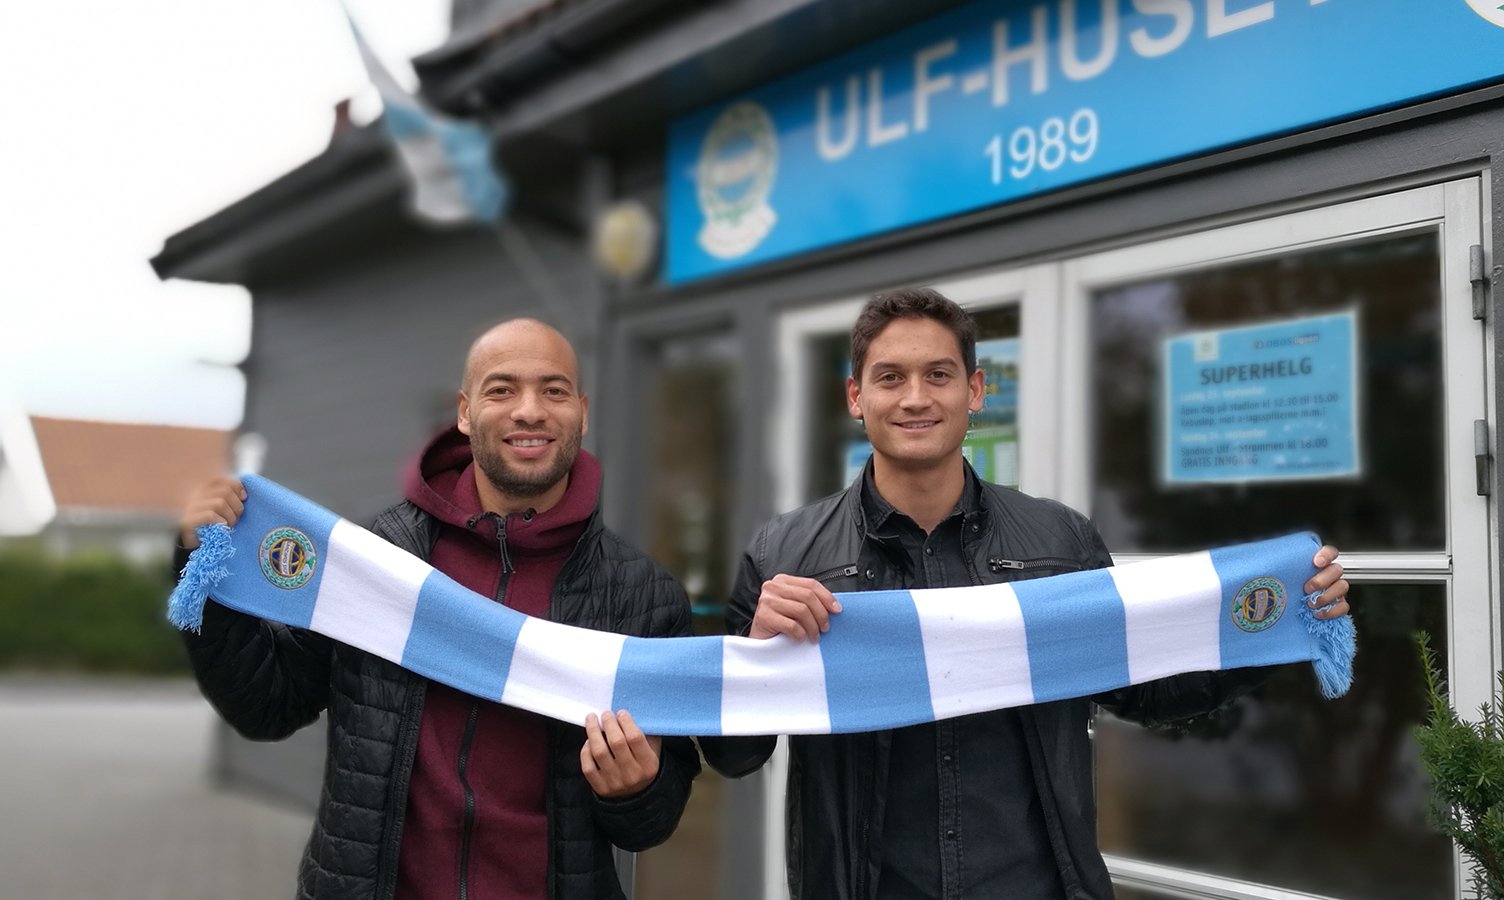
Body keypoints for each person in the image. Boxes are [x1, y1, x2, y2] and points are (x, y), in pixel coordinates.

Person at [701, 288, 1351, 900]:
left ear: (975, 390)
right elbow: (733, 755)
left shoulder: (1061, 540)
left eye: (938, 374)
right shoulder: (784, 556)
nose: (915, 398)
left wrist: (1277, 621)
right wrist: (758, 656)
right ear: (855, 396)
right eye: (890, 377)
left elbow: (1146, 690)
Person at [178, 318, 699, 900]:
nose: (529, 411)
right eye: (502, 390)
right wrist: (207, 570)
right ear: (465, 413)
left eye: (553, 391)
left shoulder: (640, 596)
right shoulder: (376, 559)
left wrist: (634, 791)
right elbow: (266, 708)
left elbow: (652, 823)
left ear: (582, 413)